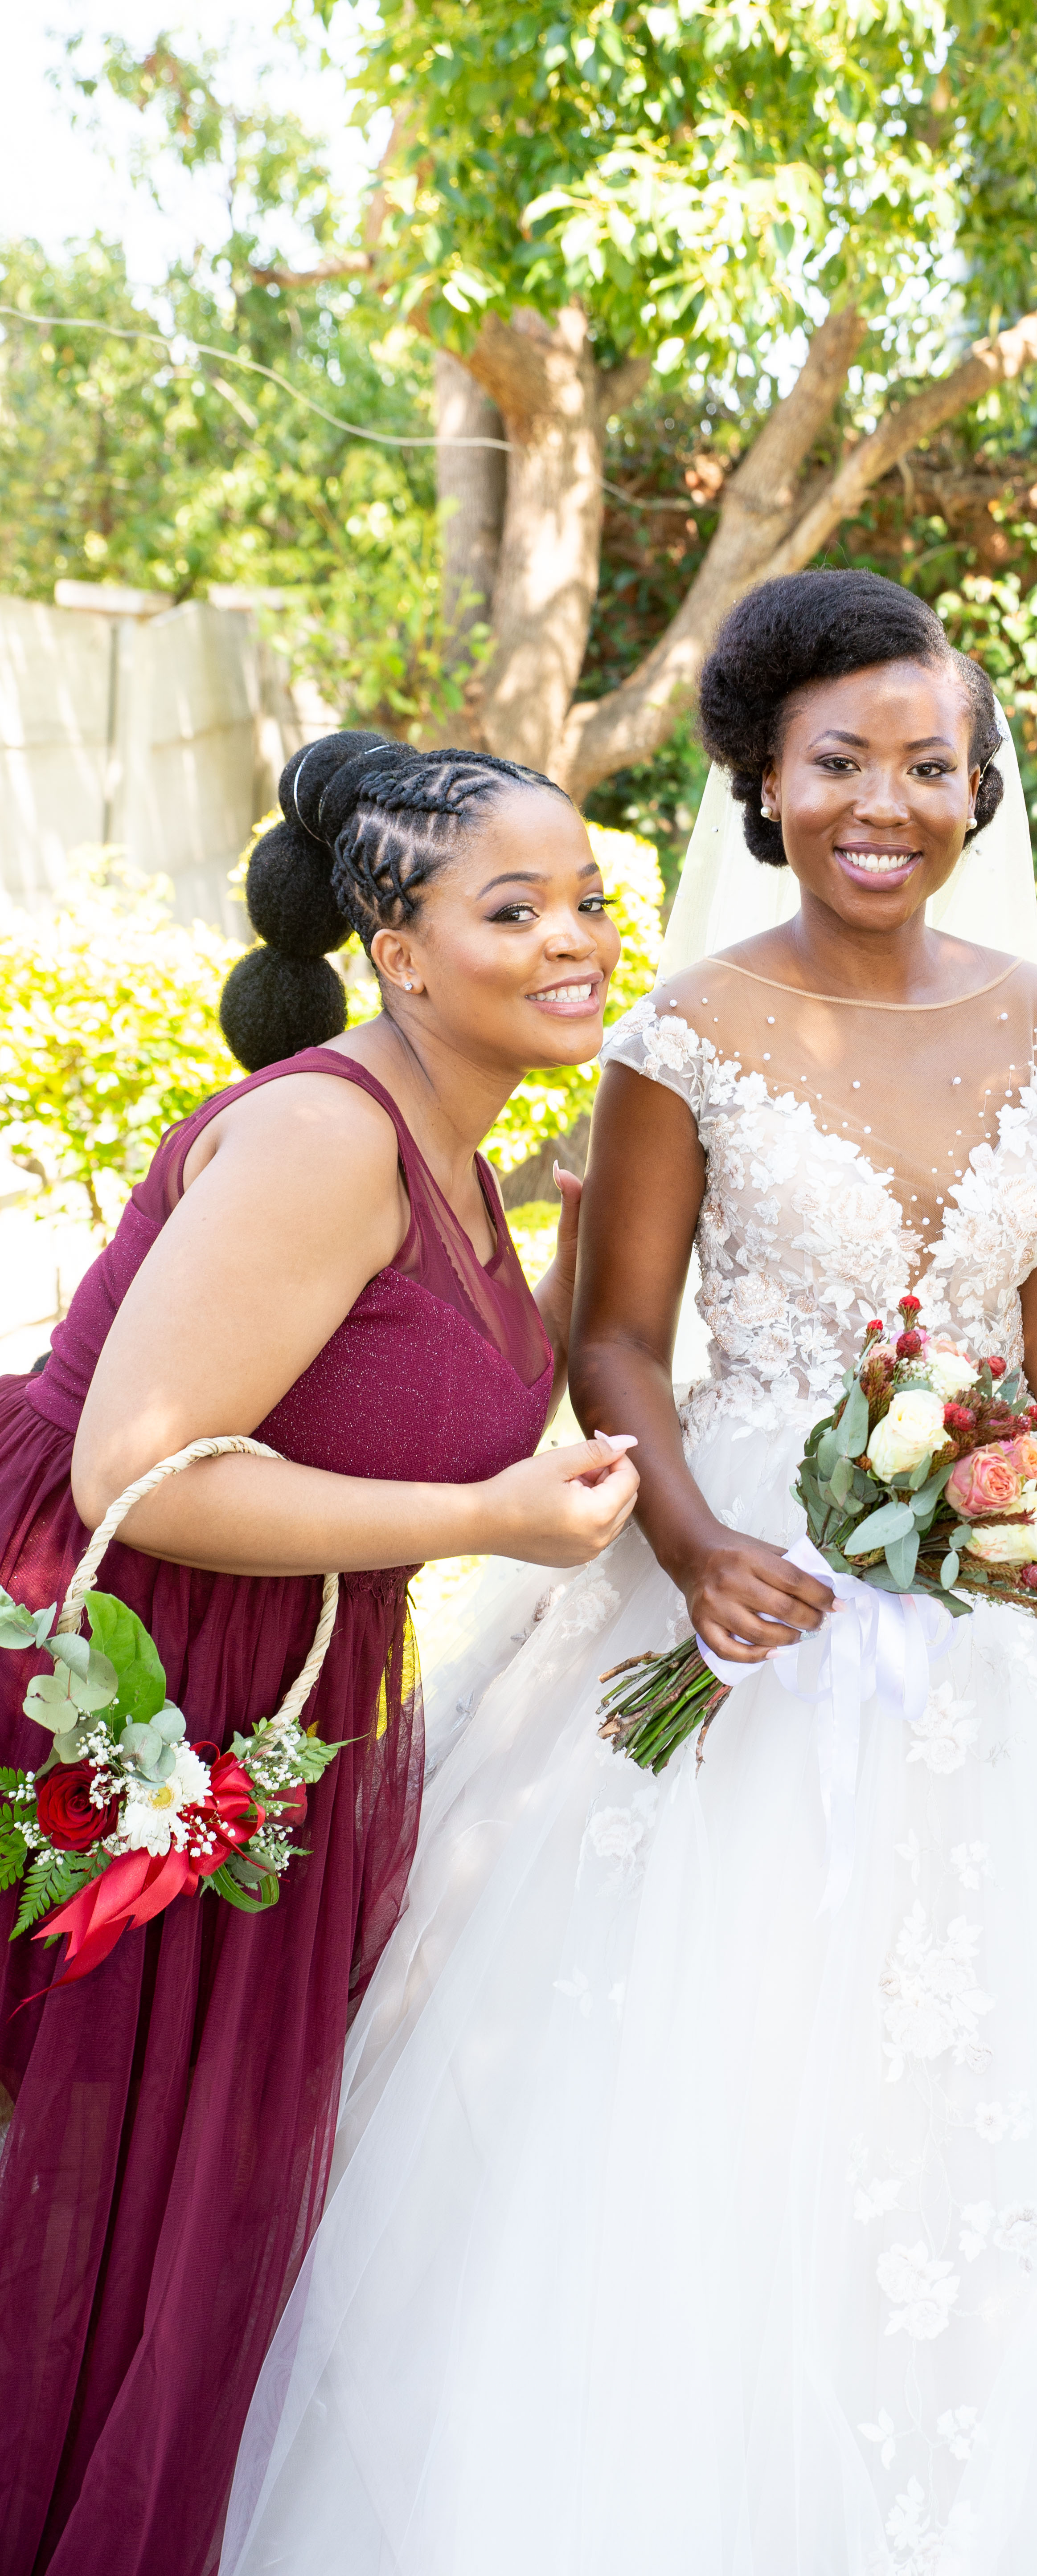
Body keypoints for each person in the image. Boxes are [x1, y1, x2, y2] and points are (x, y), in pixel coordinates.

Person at [221, 573, 1037, 2576]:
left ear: (975, 789)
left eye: (930, 764)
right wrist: (689, 1534)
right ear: (764, 780)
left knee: (1034, 2107)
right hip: (739, 1587)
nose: (886, 800)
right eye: (838, 758)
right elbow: (613, 1333)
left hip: (1003, 1611)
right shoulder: (682, 1026)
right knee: (700, 2084)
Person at [0, 731, 640, 2576]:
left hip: (277, 1680)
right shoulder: (321, 1132)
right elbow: (143, 1473)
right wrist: (486, 1521)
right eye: (511, 906)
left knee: (192, 2185)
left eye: (589, 897)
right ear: (397, 944)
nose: (575, 936)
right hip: (126, 1653)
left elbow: (384, 1347)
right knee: (104, 2174)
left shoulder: (448, 1138)